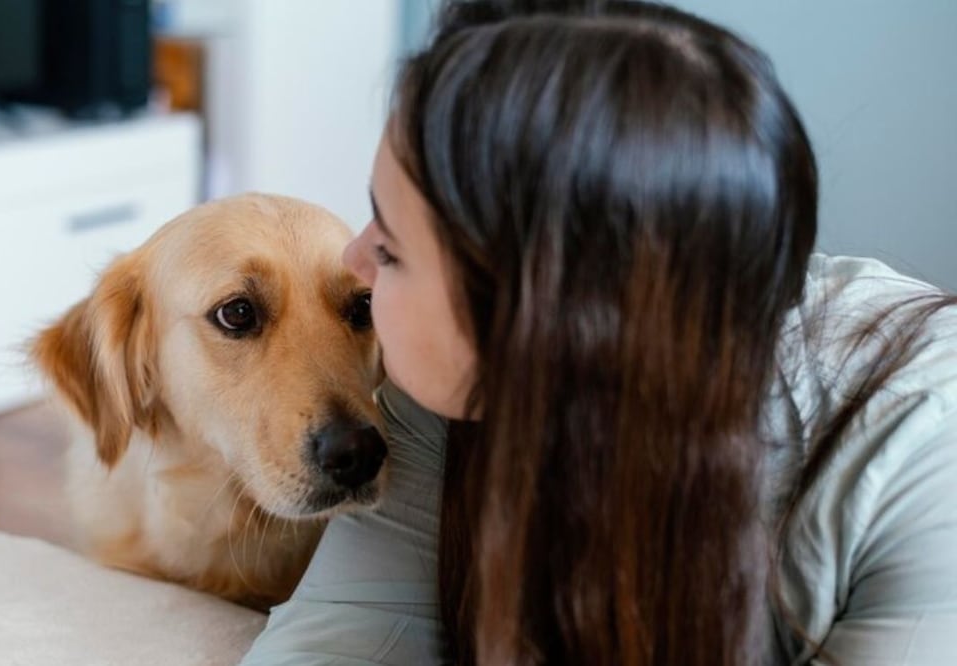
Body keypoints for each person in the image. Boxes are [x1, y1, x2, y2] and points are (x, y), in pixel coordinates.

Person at [241, 1, 957, 664]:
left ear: (536, 317)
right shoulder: (442, 399)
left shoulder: (923, 463)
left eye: (392, 249)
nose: (354, 260)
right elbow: (330, 645)